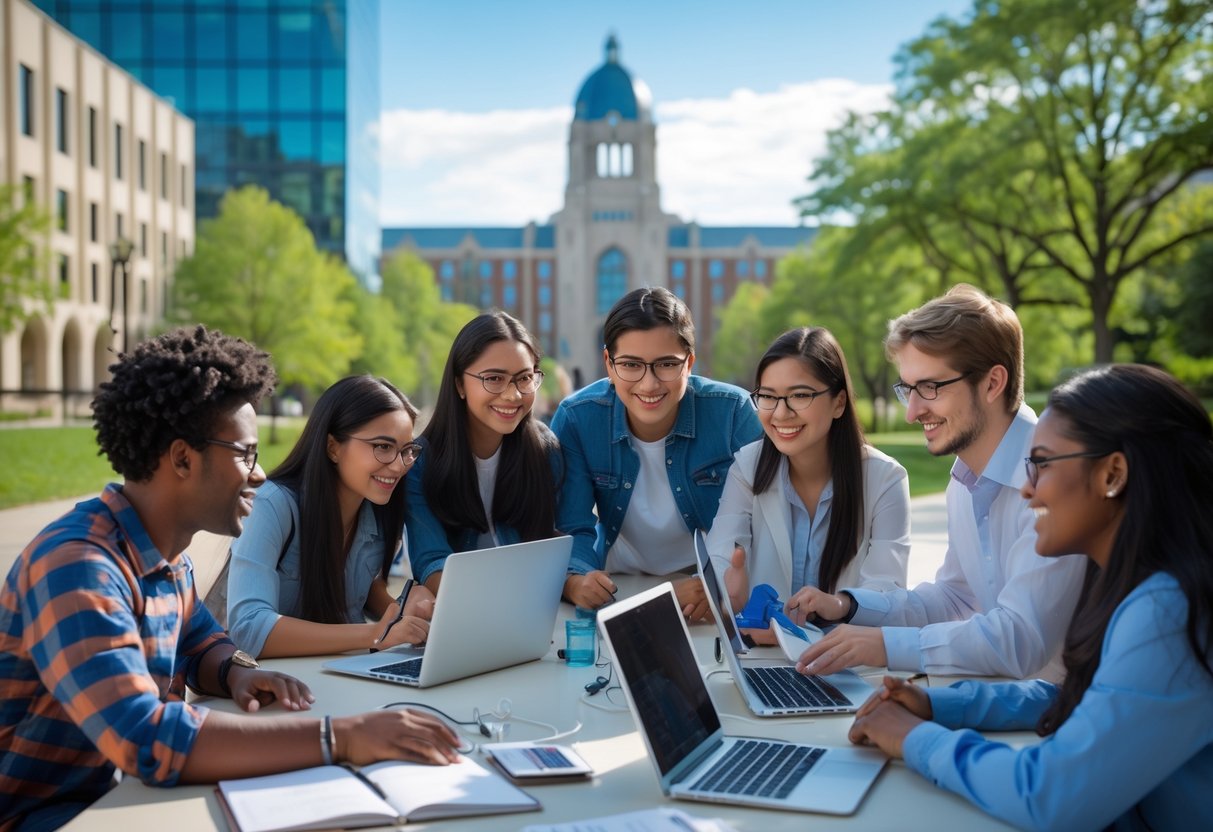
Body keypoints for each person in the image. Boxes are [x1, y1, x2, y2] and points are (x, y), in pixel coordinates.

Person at [0, 327, 459, 832]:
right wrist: (340, 737)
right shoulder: (78, 568)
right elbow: (146, 737)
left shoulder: (167, 559)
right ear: (181, 458)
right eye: (245, 454)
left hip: (130, 798)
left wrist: (239, 670)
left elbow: (203, 643)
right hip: (49, 816)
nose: (259, 475)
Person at [849, 364, 1213, 831]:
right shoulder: (1141, 583)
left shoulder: (1169, 611)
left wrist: (915, 737)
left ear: (1113, 473)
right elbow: (1075, 699)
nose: (1026, 488)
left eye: (1041, 464)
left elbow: (1048, 794)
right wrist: (939, 705)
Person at [791, 285, 1086, 680]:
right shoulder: (964, 481)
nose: (913, 412)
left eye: (930, 387)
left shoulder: (1052, 480)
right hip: (1017, 703)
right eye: (907, 389)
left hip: (1064, 715)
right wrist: (848, 607)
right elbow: (956, 597)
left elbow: (1021, 639)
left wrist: (883, 646)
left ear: (993, 383)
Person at [552, 287, 762, 619]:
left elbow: (758, 521)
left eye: (666, 364)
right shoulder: (578, 418)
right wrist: (576, 579)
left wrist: (717, 582)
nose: (649, 385)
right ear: (608, 363)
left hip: (708, 580)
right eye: (631, 365)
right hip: (619, 584)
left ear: (689, 362)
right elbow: (573, 525)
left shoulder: (732, 413)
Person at [708, 327, 910, 620]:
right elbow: (721, 559)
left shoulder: (885, 479)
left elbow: (889, 595)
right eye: (768, 396)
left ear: (839, 403)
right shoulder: (747, 468)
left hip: (847, 656)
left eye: (799, 395)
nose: (780, 413)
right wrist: (729, 598)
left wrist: (839, 605)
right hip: (764, 655)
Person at [227, 375, 434, 658]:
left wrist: (404, 612)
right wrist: (377, 634)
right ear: (333, 447)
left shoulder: (379, 510)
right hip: (271, 686)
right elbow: (249, 629)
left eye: (406, 451)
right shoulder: (272, 505)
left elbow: (359, 587)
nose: (399, 466)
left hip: (344, 674)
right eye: (383, 447)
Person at [407, 312, 561, 593]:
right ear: (459, 384)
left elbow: (564, 540)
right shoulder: (420, 463)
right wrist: (486, 602)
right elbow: (431, 561)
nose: (512, 395)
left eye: (524, 378)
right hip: (461, 611)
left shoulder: (546, 450)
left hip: (538, 608)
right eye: (494, 378)